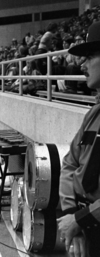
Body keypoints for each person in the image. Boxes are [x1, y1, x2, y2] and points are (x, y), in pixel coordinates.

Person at [58, 21, 100, 257]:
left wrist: (81, 220)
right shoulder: (94, 114)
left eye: (90, 56)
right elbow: (70, 163)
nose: (82, 64)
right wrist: (73, 215)